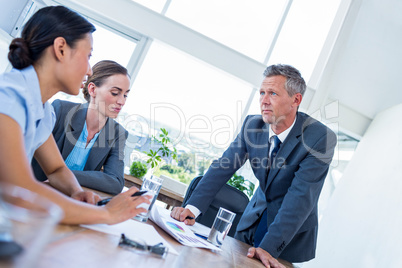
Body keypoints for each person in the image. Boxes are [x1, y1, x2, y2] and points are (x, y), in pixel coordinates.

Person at [171, 64, 337, 267]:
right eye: (262, 93)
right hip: (253, 217)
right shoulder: (253, 125)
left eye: (273, 93)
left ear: (296, 100)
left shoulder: (320, 137)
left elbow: (300, 198)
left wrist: (268, 247)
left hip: (287, 234)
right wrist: (192, 208)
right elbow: (223, 167)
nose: (264, 101)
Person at [0, 5, 149, 225]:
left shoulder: (42, 110)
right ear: (60, 49)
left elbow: (56, 168)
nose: (89, 70)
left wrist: (76, 192)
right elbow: (21, 193)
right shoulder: (10, 101)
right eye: (88, 56)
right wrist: (106, 214)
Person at [32, 60, 130, 195]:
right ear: (92, 89)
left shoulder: (118, 133)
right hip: (33, 192)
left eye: (125, 95)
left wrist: (61, 175)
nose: (122, 101)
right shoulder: (60, 110)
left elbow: (115, 182)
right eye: (115, 93)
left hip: (72, 200)